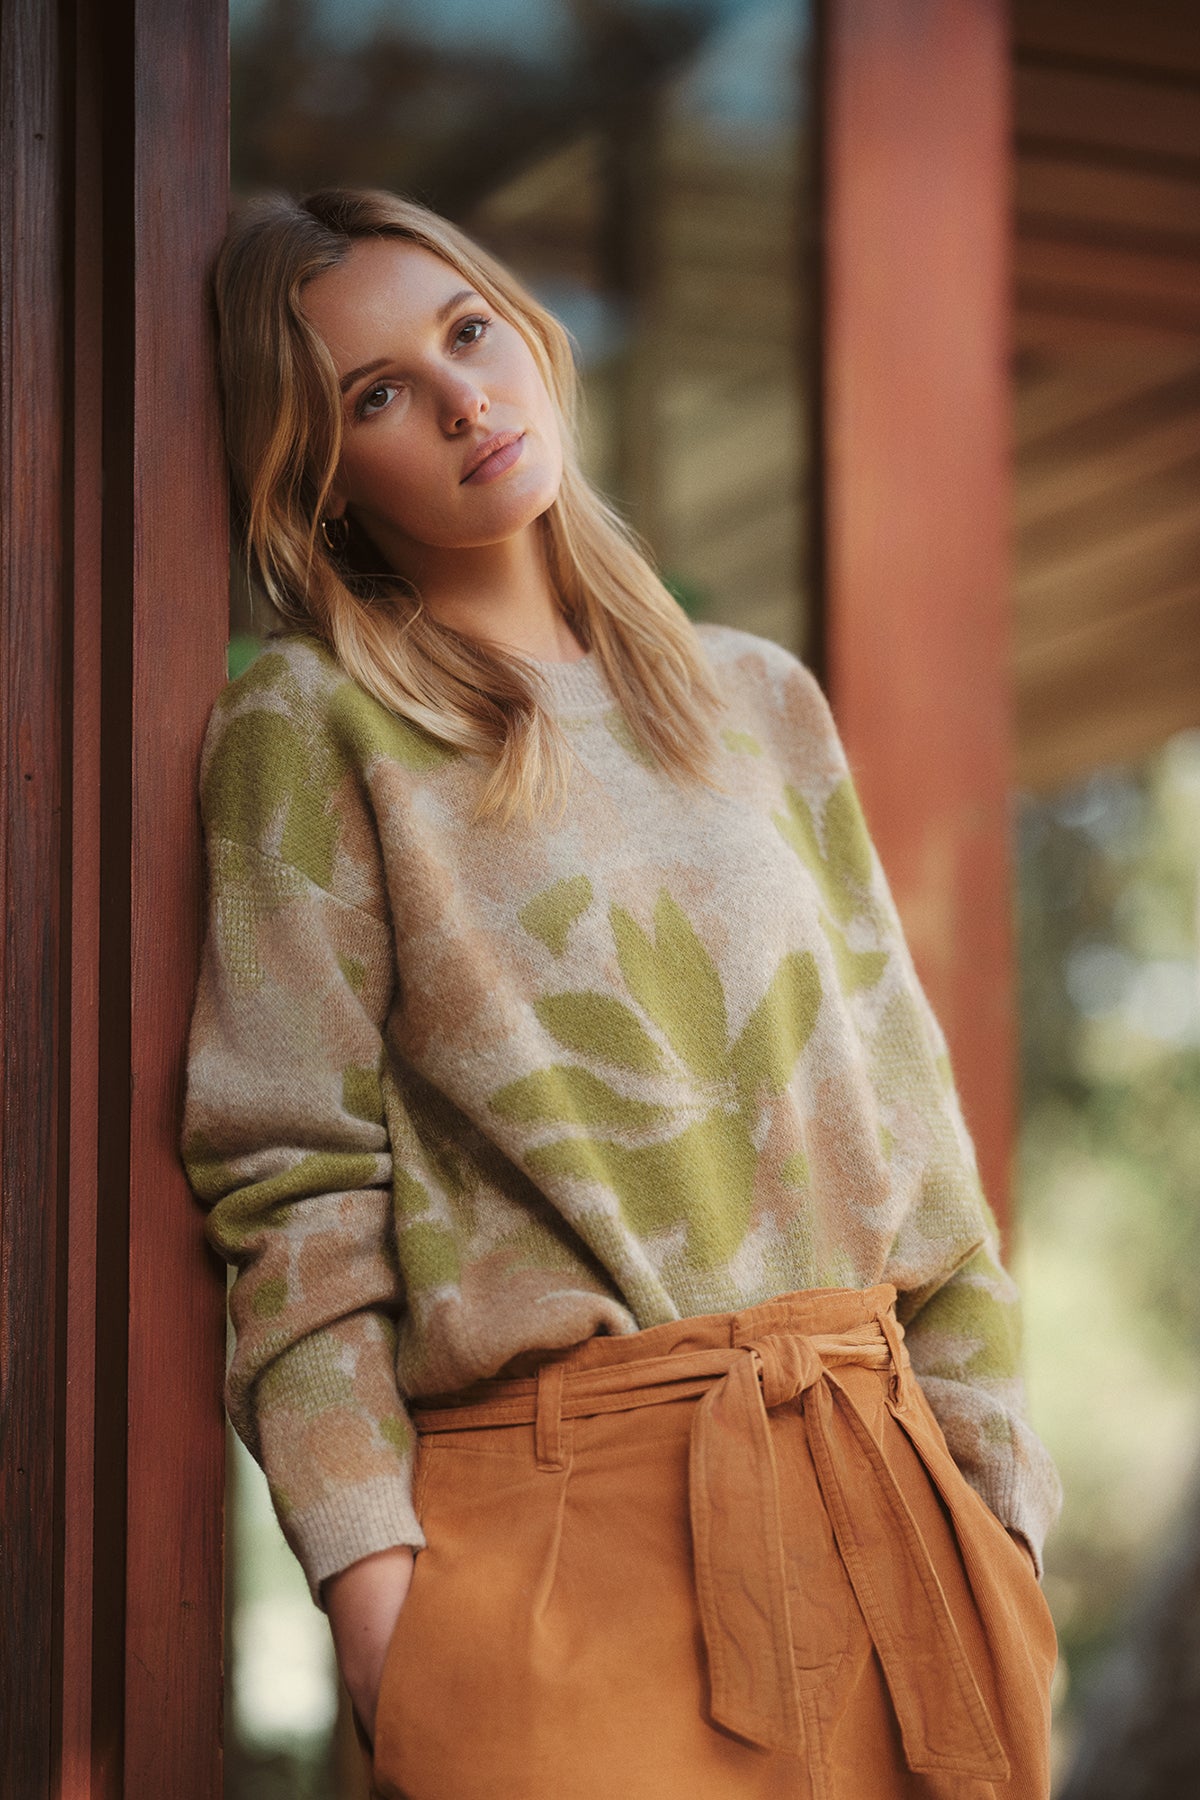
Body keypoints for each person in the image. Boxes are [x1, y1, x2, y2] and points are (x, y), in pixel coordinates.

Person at [182, 186, 1062, 1800]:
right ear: (315, 476)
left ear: (531, 334)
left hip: (891, 1521)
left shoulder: (759, 701)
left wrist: (995, 1504)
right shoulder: (310, 727)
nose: (461, 400)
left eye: (468, 332)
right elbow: (284, 1176)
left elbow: (916, 1133)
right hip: (558, 1555)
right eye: (376, 393)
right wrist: (378, 1597)